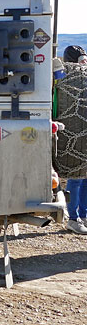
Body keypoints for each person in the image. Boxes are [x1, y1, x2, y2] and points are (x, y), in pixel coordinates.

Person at [63, 45, 87, 234]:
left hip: (82, 133)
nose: (84, 63)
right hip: (73, 136)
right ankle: (72, 217)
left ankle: (83, 214)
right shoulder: (65, 79)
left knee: (85, 178)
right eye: (81, 60)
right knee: (76, 177)